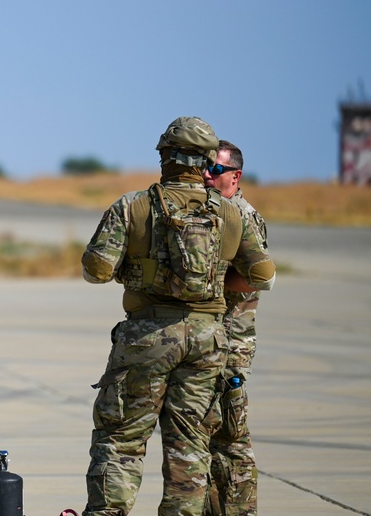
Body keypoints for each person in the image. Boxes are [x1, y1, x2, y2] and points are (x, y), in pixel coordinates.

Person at [79, 117, 276, 516]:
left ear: (165, 157)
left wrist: (136, 271)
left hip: (147, 338)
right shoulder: (232, 213)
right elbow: (263, 275)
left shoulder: (132, 206)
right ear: (204, 162)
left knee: (121, 440)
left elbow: (95, 271)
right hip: (207, 342)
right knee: (190, 448)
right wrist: (213, 278)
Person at [203, 140, 267, 516]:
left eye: (215, 170)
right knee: (204, 438)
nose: (207, 177)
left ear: (235, 176)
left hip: (233, 342)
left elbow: (256, 278)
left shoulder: (243, 216)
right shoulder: (211, 214)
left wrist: (209, 284)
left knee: (233, 440)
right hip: (209, 340)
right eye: (205, 169)